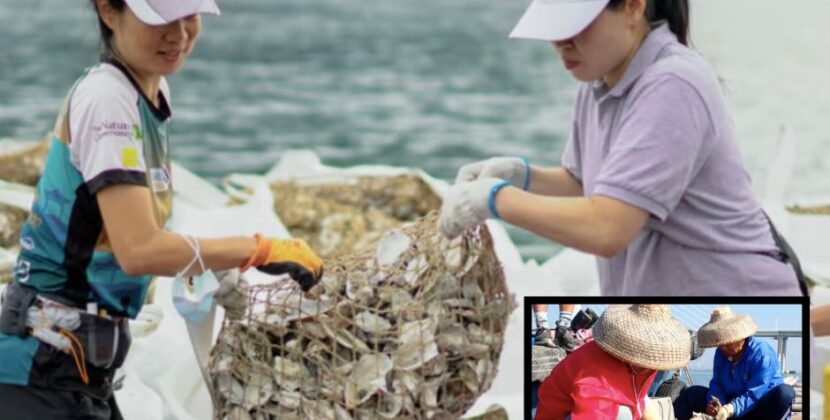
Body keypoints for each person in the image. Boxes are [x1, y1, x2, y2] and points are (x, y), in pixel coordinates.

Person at [0, 1, 323, 418]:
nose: (180, 34)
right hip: (41, 368)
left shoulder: (146, 92)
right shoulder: (107, 100)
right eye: (161, 19)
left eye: (190, 16)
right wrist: (257, 249)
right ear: (108, 12)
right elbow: (140, 251)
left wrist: (208, 263)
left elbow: (123, 236)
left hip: (81, 367)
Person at [437, 0, 805, 296]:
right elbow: (587, 183)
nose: (561, 43)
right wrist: (520, 176)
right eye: (554, 29)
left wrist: (494, 199)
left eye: (575, 26)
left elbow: (607, 228)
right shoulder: (597, 80)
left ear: (633, 7)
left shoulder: (672, 85)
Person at [535, 304, 691, 419]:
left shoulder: (645, 365)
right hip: (566, 413)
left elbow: (638, 397)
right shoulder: (595, 379)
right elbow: (593, 411)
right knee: (623, 414)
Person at [674, 307, 795, 420]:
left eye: (728, 343)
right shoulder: (721, 353)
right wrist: (716, 403)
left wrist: (730, 409)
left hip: (759, 408)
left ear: (741, 337)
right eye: (720, 343)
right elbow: (717, 383)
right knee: (691, 393)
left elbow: (755, 393)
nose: (723, 347)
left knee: (784, 394)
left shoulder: (761, 353)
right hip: (731, 408)